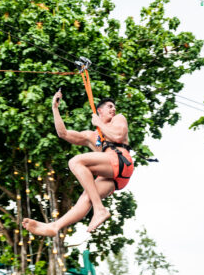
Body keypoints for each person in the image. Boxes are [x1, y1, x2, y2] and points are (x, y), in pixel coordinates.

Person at [22, 90, 134, 236]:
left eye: (114, 107)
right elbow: (63, 134)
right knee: (86, 198)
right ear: (99, 110)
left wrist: (99, 122)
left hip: (121, 161)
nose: (113, 109)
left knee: (76, 162)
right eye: (109, 106)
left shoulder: (118, 119)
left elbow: (118, 136)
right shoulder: (91, 136)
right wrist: (55, 109)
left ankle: (99, 209)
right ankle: (55, 226)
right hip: (113, 177)